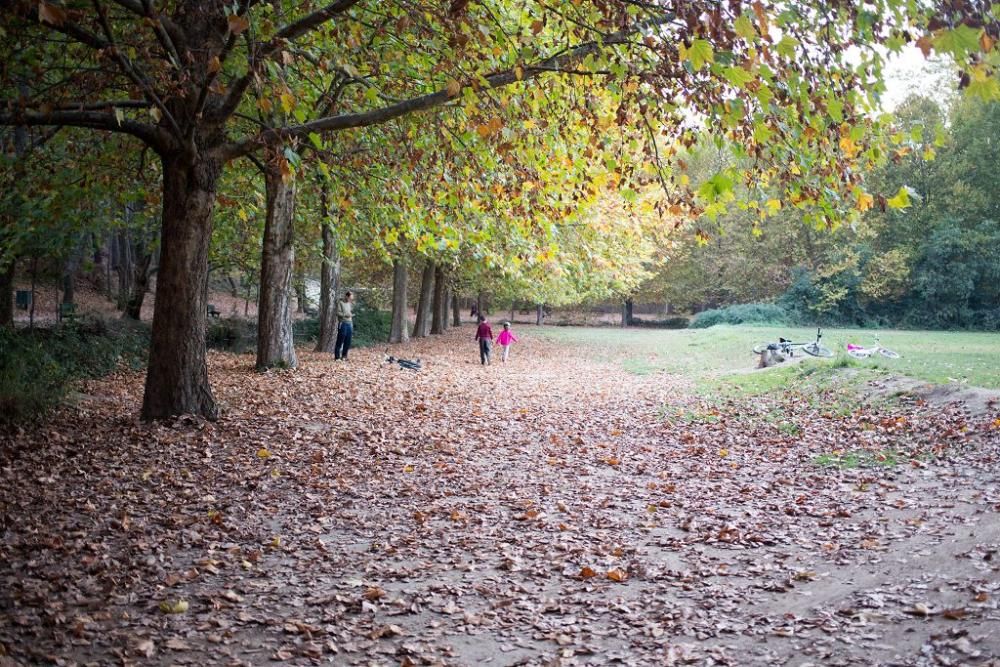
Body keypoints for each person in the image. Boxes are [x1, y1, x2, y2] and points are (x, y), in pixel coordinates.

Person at [334, 291, 354, 361]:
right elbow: (338, 313)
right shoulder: (340, 303)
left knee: (348, 341)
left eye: (351, 299)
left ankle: (344, 356)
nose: (350, 300)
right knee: (340, 340)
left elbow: (349, 312)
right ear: (346, 296)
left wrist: (351, 315)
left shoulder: (349, 303)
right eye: (349, 298)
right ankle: (337, 357)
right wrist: (346, 315)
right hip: (343, 324)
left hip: (350, 324)